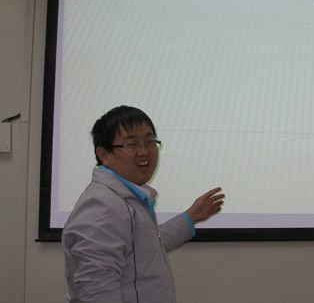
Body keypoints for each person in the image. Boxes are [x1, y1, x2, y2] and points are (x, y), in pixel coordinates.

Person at [62, 105, 224, 303]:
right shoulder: (101, 207)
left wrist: (191, 217)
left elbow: (146, 245)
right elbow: (97, 291)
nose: (144, 151)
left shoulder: (123, 198)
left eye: (150, 141)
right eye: (131, 144)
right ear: (103, 155)